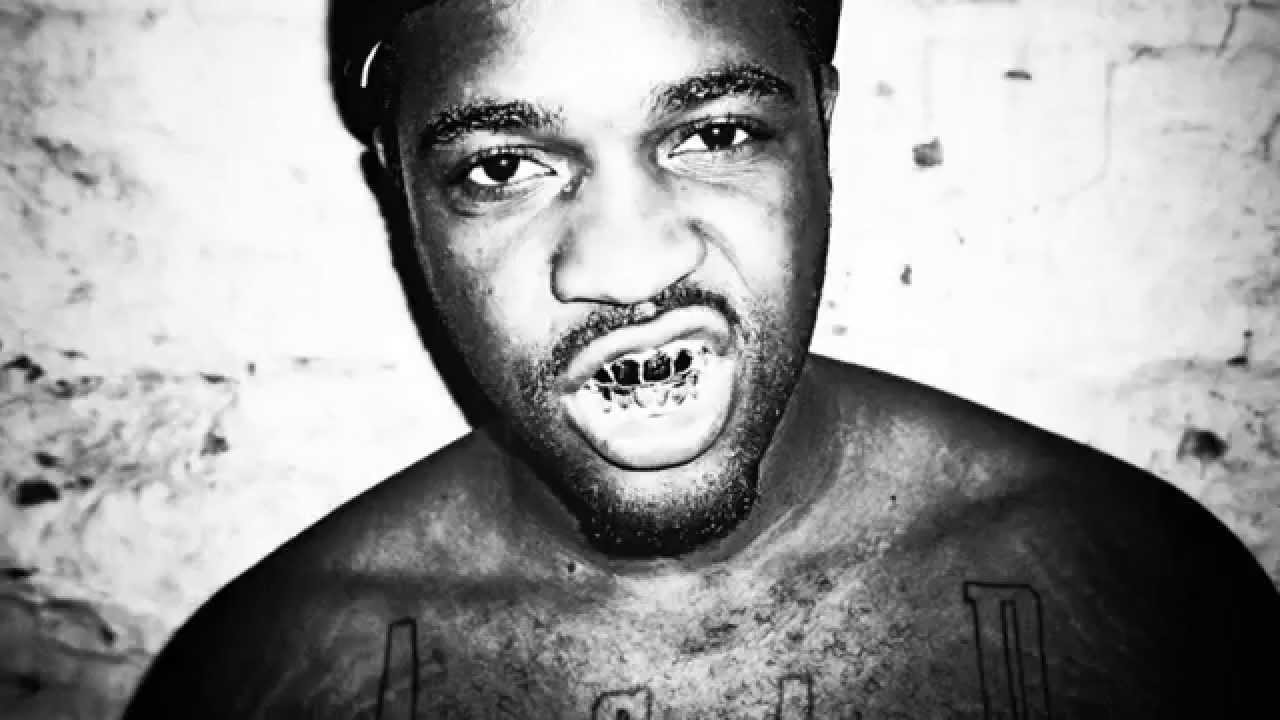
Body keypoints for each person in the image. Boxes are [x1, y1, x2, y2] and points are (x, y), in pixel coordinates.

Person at [122, 0, 1279, 717]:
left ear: (821, 128)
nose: (628, 267)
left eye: (715, 133)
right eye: (501, 167)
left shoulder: (1139, 596)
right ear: (401, 192)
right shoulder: (268, 681)